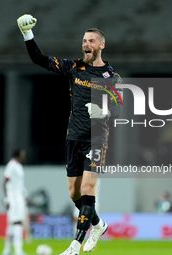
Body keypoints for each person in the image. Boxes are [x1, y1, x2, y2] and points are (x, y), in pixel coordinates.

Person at [17, 14, 122, 255]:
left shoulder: (112, 77)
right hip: (73, 137)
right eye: (84, 41)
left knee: (87, 189)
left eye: (91, 41)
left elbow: (119, 105)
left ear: (101, 45)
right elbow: (39, 59)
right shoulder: (74, 67)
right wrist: (27, 34)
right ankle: (98, 225)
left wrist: (103, 109)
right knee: (74, 193)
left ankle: (74, 245)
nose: (86, 44)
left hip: (97, 138)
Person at [2, 149, 29, 255]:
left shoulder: (18, 166)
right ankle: (18, 251)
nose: (24, 156)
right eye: (22, 154)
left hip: (19, 197)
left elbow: (19, 184)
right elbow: (4, 182)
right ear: (17, 155)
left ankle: (7, 250)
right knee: (16, 222)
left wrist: (24, 195)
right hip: (13, 197)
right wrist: (7, 199)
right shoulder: (11, 165)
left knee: (13, 223)